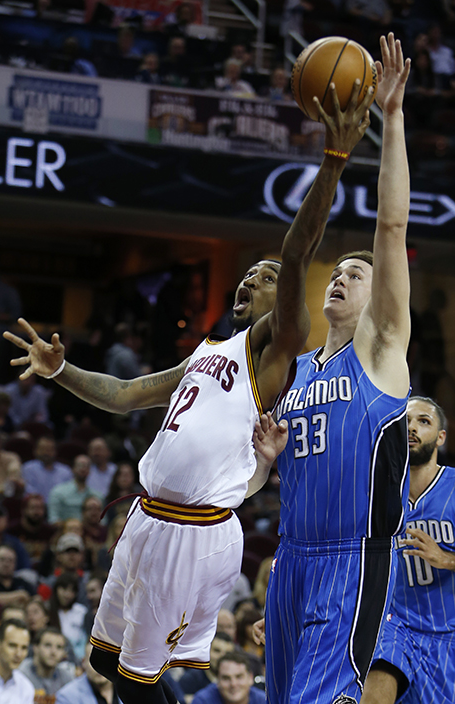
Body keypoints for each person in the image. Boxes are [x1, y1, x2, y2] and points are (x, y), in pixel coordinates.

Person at [4, 76, 373, 704]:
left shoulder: (276, 345)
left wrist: (334, 162)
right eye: (248, 277)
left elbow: (297, 243)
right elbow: (122, 394)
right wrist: (60, 370)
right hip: (147, 518)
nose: (248, 283)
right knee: (110, 665)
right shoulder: (205, 354)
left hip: (194, 530)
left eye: (262, 280)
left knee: (138, 679)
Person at [254, 34, 412, 704]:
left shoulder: (379, 354)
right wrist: (263, 460)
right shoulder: (296, 374)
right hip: (289, 564)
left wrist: (392, 119)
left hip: (352, 563)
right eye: (338, 271)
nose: (342, 278)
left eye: (357, 274)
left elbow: (391, 228)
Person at [360, 396, 455, 704]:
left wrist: (446, 558)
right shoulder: (374, 491)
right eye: (406, 422)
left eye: (424, 421)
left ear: (441, 437)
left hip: (447, 633)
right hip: (394, 626)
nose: (412, 428)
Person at [18, 626, 74, 702]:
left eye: (59, 647)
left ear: (64, 653)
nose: (53, 652)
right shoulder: (21, 674)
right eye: (48, 645)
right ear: (35, 647)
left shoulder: (67, 679)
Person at [179, 632, 235, 701]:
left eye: (227, 653)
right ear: (207, 651)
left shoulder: (236, 682)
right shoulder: (189, 679)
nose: (222, 657)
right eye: (217, 651)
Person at [191, 651, 264, 704]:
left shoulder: (264, 701)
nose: (233, 684)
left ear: (250, 678)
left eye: (239, 677)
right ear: (217, 681)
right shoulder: (203, 701)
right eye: (226, 678)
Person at [47, 455, 102, 525]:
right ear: (73, 469)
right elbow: (53, 520)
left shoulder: (97, 496)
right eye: (80, 465)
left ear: (90, 471)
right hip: (66, 532)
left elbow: (102, 522)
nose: (83, 469)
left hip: (91, 533)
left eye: (86, 466)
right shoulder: (58, 492)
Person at [22, 436, 72, 503]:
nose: (46, 453)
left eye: (49, 450)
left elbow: (68, 494)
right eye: (42, 449)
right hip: (37, 508)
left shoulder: (65, 471)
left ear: (55, 452)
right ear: (36, 450)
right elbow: (29, 493)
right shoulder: (28, 468)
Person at [0, 544, 36, 609]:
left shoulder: (23, 583)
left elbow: (37, 599)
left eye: (10, 560)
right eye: (2, 559)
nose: (6, 564)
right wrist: (20, 595)